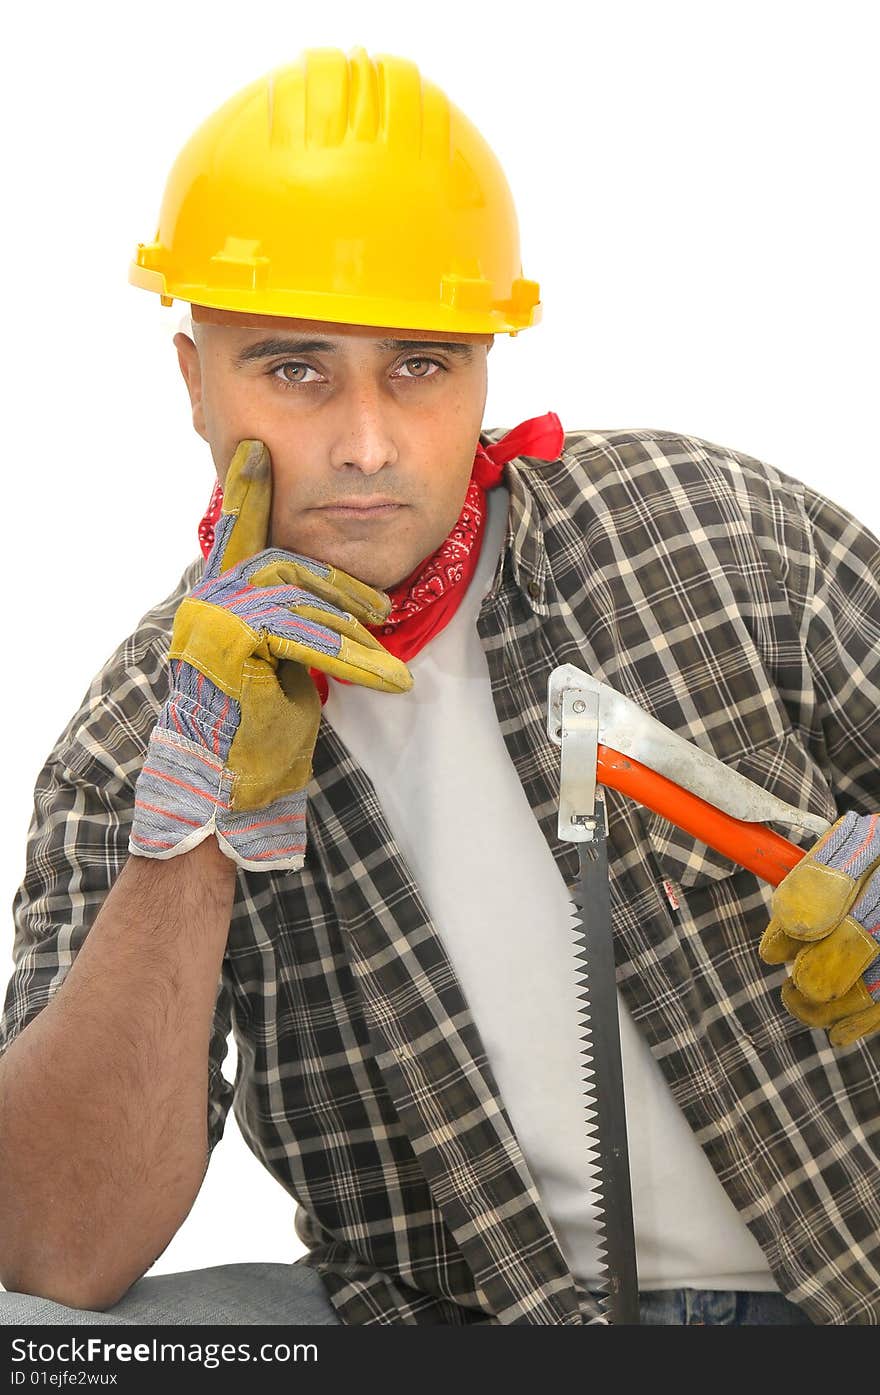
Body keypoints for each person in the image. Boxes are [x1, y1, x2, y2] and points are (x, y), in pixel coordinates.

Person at [1, 45, 878, 1330]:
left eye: (421, 363)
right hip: (460, 1328)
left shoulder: (709, 536)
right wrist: (189, 815)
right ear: (193, 384)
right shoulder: (137, 730)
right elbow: (56, 1247)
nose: (366, 441)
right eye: (294, 368)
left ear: (483, 359)